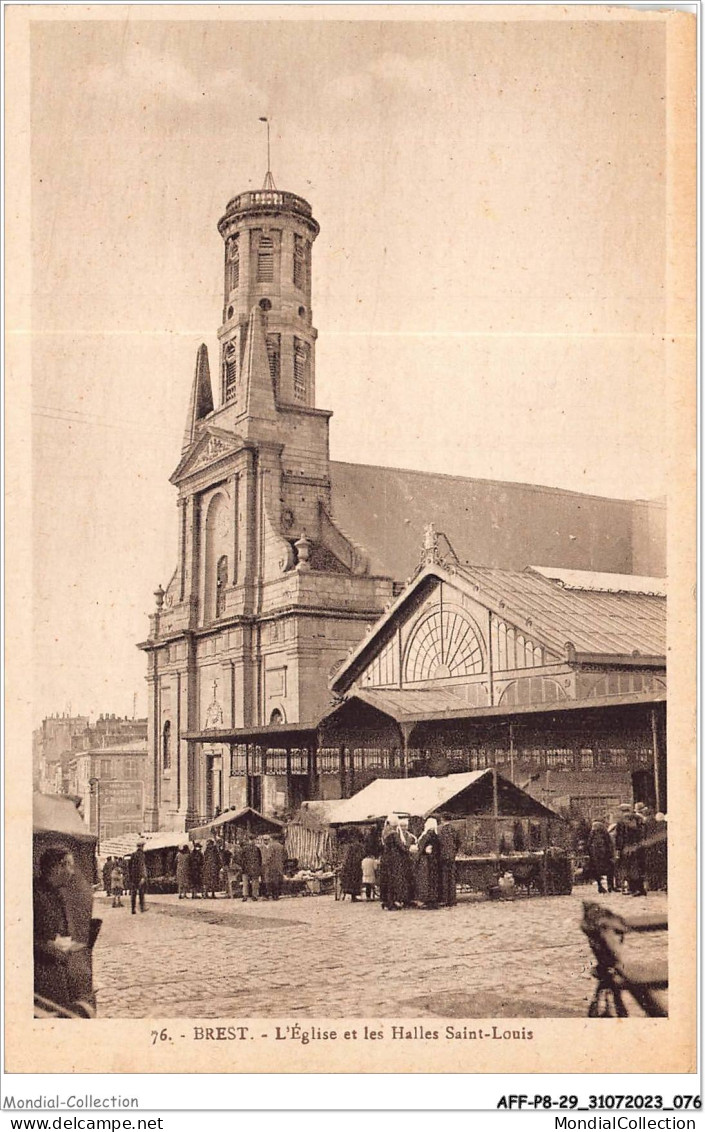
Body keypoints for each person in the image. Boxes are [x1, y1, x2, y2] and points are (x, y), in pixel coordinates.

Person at [33, 847, 75, 1009]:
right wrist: (47, 946)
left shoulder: (56, 893)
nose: (72, 871)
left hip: (57, 969)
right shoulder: (34, 894)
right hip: (41, 974)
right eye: (69, 866)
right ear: (57, 867)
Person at [379, 815, 412, 911]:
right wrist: (408, 848)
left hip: (386, 859)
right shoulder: (393, 834)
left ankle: (386, 901)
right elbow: (401, 846)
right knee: (393, 881)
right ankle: (391, 903)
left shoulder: (385, 831)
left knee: (387, 880)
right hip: (394, 860)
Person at [614, 803, 646, 896]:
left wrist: (618, 848)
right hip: (638, 847)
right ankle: (638, 888)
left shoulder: (623, 821)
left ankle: (635, 889)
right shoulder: (638, 818)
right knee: (636, 868)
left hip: (628, 848)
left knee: (630, 868)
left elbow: (619, 836)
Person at [415, 817, 443, 908]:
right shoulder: (436, 836)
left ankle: (427, 900)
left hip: (426, 861)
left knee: (426, 880)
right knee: (433, 880)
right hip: (434, 861)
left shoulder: (426, 835)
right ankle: (433, 900)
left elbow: (421, 848)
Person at [437, 814, 462, 907]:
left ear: (442, 819)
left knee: (444, 878)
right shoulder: (454, 829)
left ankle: (445, 899)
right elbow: (459, 841)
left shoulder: (441, 830)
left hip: (443, 856)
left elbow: (439, 843)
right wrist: (454, 852)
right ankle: (452, 899)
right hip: (451, 856)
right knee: (451, 878)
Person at [586, 819, 614, 894]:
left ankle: (600, 886)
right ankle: (610, 886)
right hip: (604, 855)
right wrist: (611, 854)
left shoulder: (592, 834)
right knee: (609, 870)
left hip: (595, 856)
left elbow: (588, 845)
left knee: (597, 871)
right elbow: (609, 844)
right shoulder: (604, 833)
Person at [339, 832, 364, 901]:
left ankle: (353, 896)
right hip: (355, 866)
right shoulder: (358, 846)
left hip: (349, 866)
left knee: (352, 882)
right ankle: (354, 897)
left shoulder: (350, 847)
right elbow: (360, 856)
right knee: (355, 881)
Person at [261, 834, 286, 900]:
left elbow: (269, 856)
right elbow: (285, 856)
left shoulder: (271, 847)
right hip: (279, 865)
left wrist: (266, 863)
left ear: (272, 839)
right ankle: (277, 895)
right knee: (278, 879)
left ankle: (271, 894)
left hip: (272, 865)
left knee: (271, 880)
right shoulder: (281, 846)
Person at [128, 839, 148, 913]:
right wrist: (143, 876)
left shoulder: (133, 854)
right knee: (141, 893)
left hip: (133, 877)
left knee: (133, 893)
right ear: (142, 846)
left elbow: (129, 866)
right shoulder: (142, 855)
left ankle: (133, 909)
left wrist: (130, 876)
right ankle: (142, 908)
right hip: (140, 876)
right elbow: (142, 866)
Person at [241, 834, 262, 901]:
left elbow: (241, 859)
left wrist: (243, 866)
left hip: (247, 868)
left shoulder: (245, 849)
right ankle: (254, 895)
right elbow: (260, 859)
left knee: (246, 882)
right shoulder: (257, 849)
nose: (252, 841)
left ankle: (246, 895)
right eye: (252, 840)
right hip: (253, 868)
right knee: (254, 882)